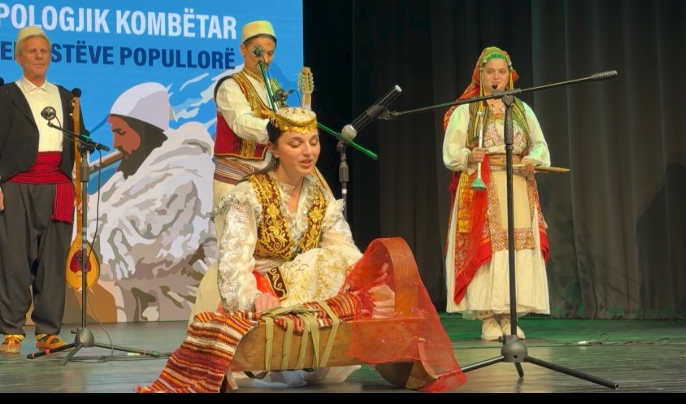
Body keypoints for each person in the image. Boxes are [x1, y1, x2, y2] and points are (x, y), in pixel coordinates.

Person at [139, 107, 465, 393]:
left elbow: (345, 252)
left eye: (313, 141)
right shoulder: (248, 193)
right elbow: (234, 264)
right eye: (295, 144)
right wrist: (253, 298)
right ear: (274, 149)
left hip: (304, 286)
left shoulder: (319, 197)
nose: (308, 151)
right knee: (319, 261)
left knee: (337, 262)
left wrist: (371, 288)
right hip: (255, 282)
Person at [0, 26, 85, 354]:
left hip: (57, 186)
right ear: (18, 57)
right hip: (17, 186)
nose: (38, 56)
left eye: (44, 51)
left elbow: (76, 144)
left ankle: (48, 330)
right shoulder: (1, 96)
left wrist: (77, 186)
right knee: (14, 259)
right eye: (31, 51)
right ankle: (12, 331)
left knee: (52, 260)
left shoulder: (65, 97)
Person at [442, 46, 551, 341]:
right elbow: (450, 152)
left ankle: (510, 314)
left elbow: (540, 146)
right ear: (480, 75)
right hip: (482, 186)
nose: (496, 77)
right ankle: (488, 316)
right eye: (490, 71)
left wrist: (533, 160)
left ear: (510, 76)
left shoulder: (521, 110)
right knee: (489, 248)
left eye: (502, 72)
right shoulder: (467, 110)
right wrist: (468, 155)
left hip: (517, 183)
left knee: (516, 248)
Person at [85, 82, 217, 322]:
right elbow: (98, 211)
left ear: (144, 130)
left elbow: (142, 251)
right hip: (144, 299)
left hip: (181, 309)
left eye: (120, 132)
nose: (114, 143)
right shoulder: (135, 169)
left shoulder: (186, 175)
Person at [212, 19, 285, 207]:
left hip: (267, 180)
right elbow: (241, 123)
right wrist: (278, 129)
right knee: (237, 237)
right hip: (234, 181)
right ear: (243, 50)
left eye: (270, 53)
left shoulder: (273, 87)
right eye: (258, 52)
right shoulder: (230, 85)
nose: (265, 60)